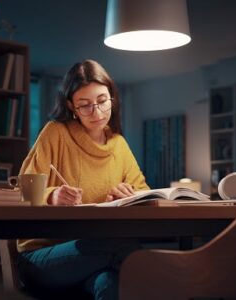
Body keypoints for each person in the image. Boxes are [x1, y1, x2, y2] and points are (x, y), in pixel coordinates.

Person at [16, 59, 149, 300]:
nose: (96, 112)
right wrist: (52, 196)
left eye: (101, 101)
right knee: (119, 246)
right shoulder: (56, 132)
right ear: (71, 107)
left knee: (109, 283)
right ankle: (170, 279)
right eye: (85, 105)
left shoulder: (118, 144)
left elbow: (144, 192)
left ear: (112, 98)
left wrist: (129, 194)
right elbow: (24, 190)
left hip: (96, 257)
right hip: (43, 257)